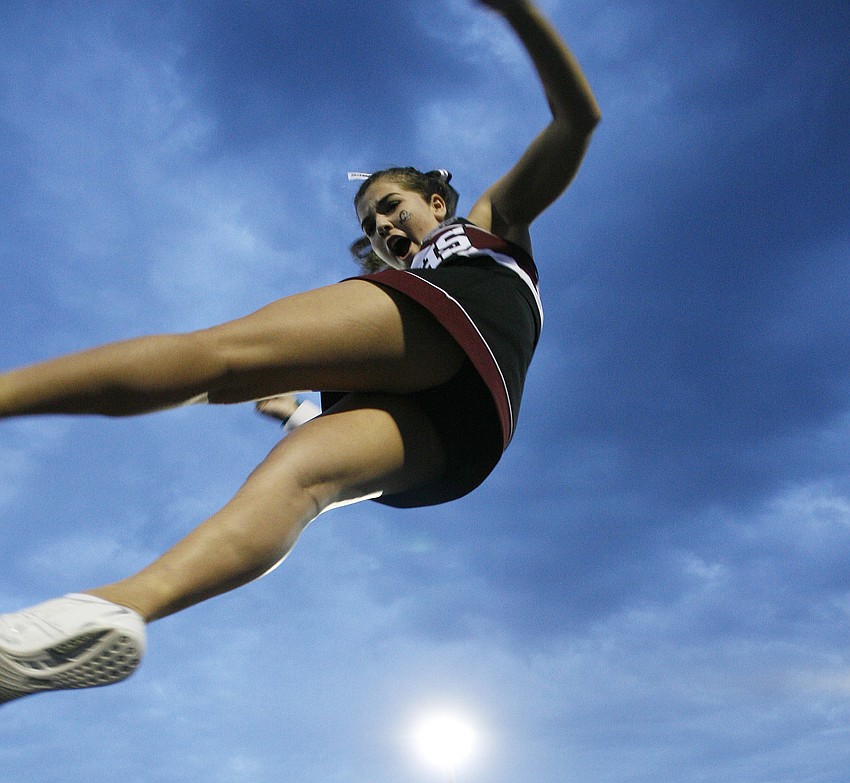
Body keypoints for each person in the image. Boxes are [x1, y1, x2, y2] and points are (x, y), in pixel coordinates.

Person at [0, 0, 601, 706]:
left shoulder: (486, 222)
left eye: (389, 204)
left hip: (466, 327)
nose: (381, 224)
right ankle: (108, 611)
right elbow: (374, 398)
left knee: (223, 356)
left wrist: (517, 12)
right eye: (371, 222)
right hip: (471, 428)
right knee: (299, 480)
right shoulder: (397, 279)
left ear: (438, 201)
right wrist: (298, 413)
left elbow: (576, 119)